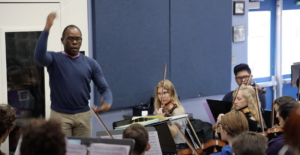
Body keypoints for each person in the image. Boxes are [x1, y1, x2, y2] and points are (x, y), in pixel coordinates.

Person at [34, 12, 113, 137]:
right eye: (70, 38)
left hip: (83, 116)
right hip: (60, 116)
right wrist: (47, 29)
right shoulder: (54, 59)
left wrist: (108, 103)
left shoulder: (91, 63)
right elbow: (39, 57)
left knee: (84, 150)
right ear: (62, 40)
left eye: (78, 39)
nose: (75, 42)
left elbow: (104, 88)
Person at [153, 80, 187, 150]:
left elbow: (173, 134)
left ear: (171, 93)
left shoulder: (178, 111)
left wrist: (161, 119)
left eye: (164, 93)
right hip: (163, 146)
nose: (162, 96)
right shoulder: (160, 110)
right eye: (159, 94)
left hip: (177, 147)